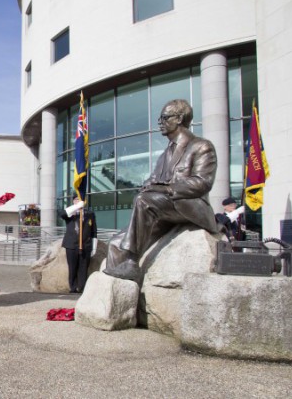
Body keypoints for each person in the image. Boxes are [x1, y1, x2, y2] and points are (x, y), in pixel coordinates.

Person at [104, 99, 220, 282]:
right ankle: (122, 295)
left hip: (187, 205)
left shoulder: (201, 146)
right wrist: (148, 185)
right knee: (115, 244)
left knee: (143, 200)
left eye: (165, 118)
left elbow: (202, 183)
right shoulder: (165, 154)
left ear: (180, 119)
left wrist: (164, 189)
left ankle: (132, 264)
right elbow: (153, 180)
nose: (160, 122)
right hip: (162, 207)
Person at [59, 197, 97, 293]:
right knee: (72, 267)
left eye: (80, 200)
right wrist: (76, 207)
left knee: (83, 268)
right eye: (76, 199)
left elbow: (94, 231)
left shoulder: (90, 214)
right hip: (71, 245)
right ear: (73, 201)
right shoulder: (70, 213)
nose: (78, 201)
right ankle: (73, 287)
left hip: (86, 245)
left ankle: (82, 287)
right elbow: (62, 214)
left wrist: (94, 246)